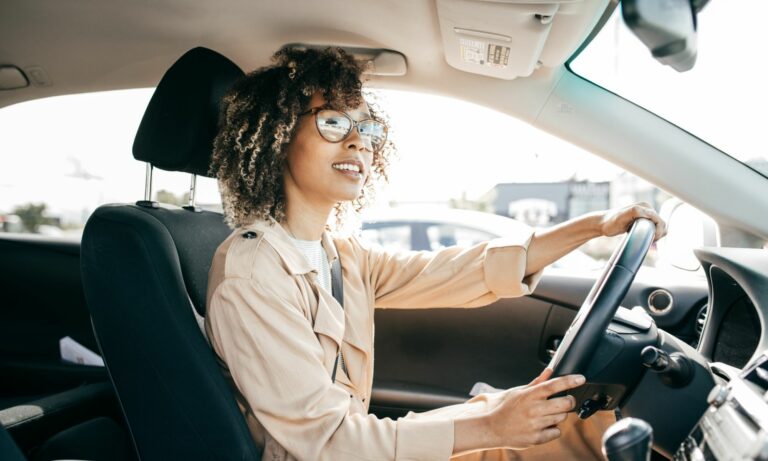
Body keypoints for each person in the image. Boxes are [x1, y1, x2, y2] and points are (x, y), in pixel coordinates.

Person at [205, 47, 667, 461]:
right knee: (560, 431)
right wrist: (489, 426)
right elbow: (328, 442)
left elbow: (452, 271)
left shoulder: (338, 254)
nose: (359, 141)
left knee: (564, 421)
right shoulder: (253, 273)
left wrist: (593, 227)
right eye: (333, 122)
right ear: (277, 137)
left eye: (366, 126)